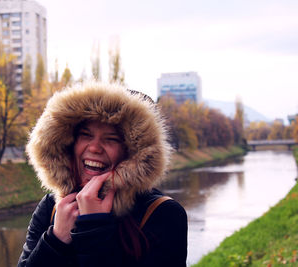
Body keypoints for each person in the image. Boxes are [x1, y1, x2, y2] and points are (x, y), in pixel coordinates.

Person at [18, 82, 187, 267]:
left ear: (133, 152)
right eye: (85, 135)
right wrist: (56, 239)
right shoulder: (52, 207)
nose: (94, 148)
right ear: (69, 143)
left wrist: (93, 227)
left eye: (111, 139)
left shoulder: (163, 213)